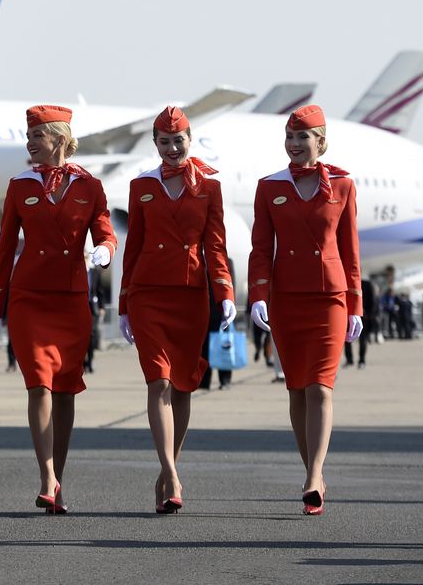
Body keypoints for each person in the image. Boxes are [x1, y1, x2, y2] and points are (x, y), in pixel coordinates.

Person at [0, 105, 116, 515]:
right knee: (39, 382)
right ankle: (46, 476)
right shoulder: (19, 185)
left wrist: (106, 252)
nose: (29, 143)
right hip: (29, 298)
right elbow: (5, 248)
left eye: (36, 136)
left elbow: (105, 231)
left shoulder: (89, 185)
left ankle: (59, 474)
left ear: (59, 139)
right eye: (29, 136)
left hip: (71, 299)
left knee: (65, 389)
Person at [117, 106, 235, 514]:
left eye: (178, 140)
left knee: (184, 385)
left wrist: (225, 295)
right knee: (159, 382)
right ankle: (171, 474)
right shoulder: (141, 186)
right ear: (155, 144)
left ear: (191, 140)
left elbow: (215, 246)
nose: (171, 148)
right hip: (148, 293)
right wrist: (123, 304)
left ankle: (167, 473)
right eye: (163, 142)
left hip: (190, 295)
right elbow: (132, 247)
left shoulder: (210, 186)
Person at [248, 105, 362, 516]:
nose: (295, 145)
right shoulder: (269, 186)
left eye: (303, 138)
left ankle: (314, 475)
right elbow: (261, 248)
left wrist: (355, 303)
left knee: (320, 386)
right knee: (296, 388)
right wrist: (258, 295)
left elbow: (350, 249)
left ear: (321, 142)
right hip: (287, 299)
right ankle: (312, 470)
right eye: (290, 138)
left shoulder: (344, 185)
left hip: (330, 298)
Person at [345, 278, 378, 369]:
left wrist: (368, 314)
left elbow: (372, 301)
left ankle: (361, 360)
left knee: (362, 339)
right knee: (347, 338)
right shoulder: (347, 283)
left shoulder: (366, 284)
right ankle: (350, 359)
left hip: (364, 317)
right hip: (349, 315)